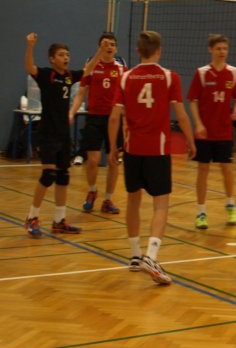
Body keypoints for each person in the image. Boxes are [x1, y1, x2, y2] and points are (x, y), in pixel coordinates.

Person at [108, 30, 196, 285]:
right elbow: (181, 115)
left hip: (132, 149)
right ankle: (152, 256)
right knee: (161, 204)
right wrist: (190, 140)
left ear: (138, 51)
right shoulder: (169, 77)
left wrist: (113, 147)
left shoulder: (126, 77)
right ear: (159, 50)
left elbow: (114, 117)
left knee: (133, 201)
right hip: (157, 150)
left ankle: (135, 255)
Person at [24, 33, 105, 237]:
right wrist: (31, 46)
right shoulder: (46, 75)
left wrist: (100, 52)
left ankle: (59, 221)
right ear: (52, 59)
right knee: (47, 175)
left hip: (63, 134)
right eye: (61, 55)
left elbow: (88, 70)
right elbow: (29, 67)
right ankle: (32, 217)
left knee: (63, 177)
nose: (66, 58)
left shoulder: (69, 76)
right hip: (48, 133)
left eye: (67, 54)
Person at [187, 34, 236, 230]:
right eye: (218, 48)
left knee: (227, 168)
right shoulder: (202, 73)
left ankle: (231, 205)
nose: (222, 52)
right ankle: (201, 212)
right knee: (203, 169)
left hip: (224, 131)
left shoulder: (234, 73)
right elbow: (193, 101)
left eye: (225, 48)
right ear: (210, 50)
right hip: (205, 132)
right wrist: (198, 124)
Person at [69, 32, 125, 215]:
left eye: (112, 44)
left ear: (116, 48)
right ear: (99, 47)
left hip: (114, 119)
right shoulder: (92, 66)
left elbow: (127, 96)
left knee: (113, 161)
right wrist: (72, 112)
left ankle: (108, 199)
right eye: (105, 44)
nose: (109, 47)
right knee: (92, 161)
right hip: (94, 117)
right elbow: (81, 92)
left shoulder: (121, 68)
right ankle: (92, 191)